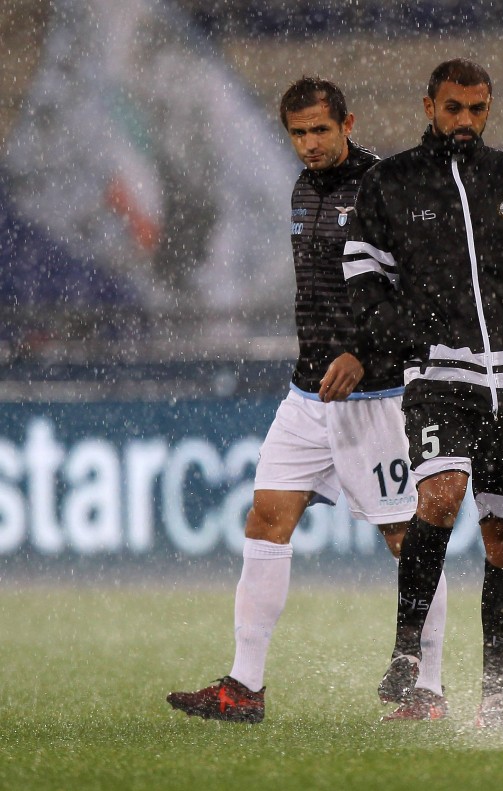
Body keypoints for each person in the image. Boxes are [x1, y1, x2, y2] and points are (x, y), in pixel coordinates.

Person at [166, 77, 449, 724]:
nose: (310, 144)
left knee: (408, 536)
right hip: (307, 391)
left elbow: (420, 295)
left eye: (320, 130)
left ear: (347, 123)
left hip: (376, 394)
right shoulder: (302, 188)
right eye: (297, 133)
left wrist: (361, 352)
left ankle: (427, 688)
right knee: (266, 518)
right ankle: (244, 687)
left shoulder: (386, 187)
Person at [342, 59, 503, 727]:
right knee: (439, 496)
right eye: (454, 108)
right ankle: (406, 654)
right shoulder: (390, 182)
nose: (466, 121)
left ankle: (496, 698)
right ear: (429, 106)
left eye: (477, 109)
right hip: (439, 378)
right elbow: (363, 280)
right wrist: (412, 338)